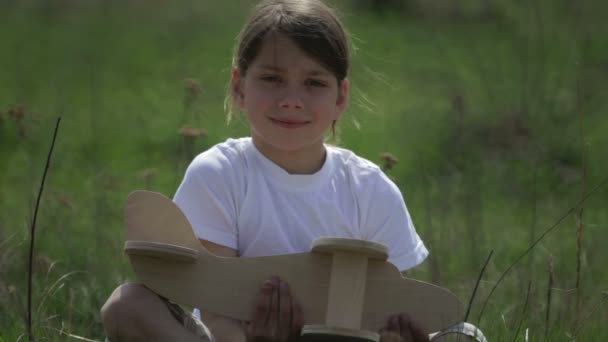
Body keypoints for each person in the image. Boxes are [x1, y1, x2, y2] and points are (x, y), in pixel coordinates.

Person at [101, 0, 430, 341]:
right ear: (239, 86)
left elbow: (394, 306)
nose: (291, 99)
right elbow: (215, 312)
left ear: (341, 97)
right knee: (126, 305)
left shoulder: (370, 189)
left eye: (314, 83)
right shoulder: (218, 174)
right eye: (272, 78)